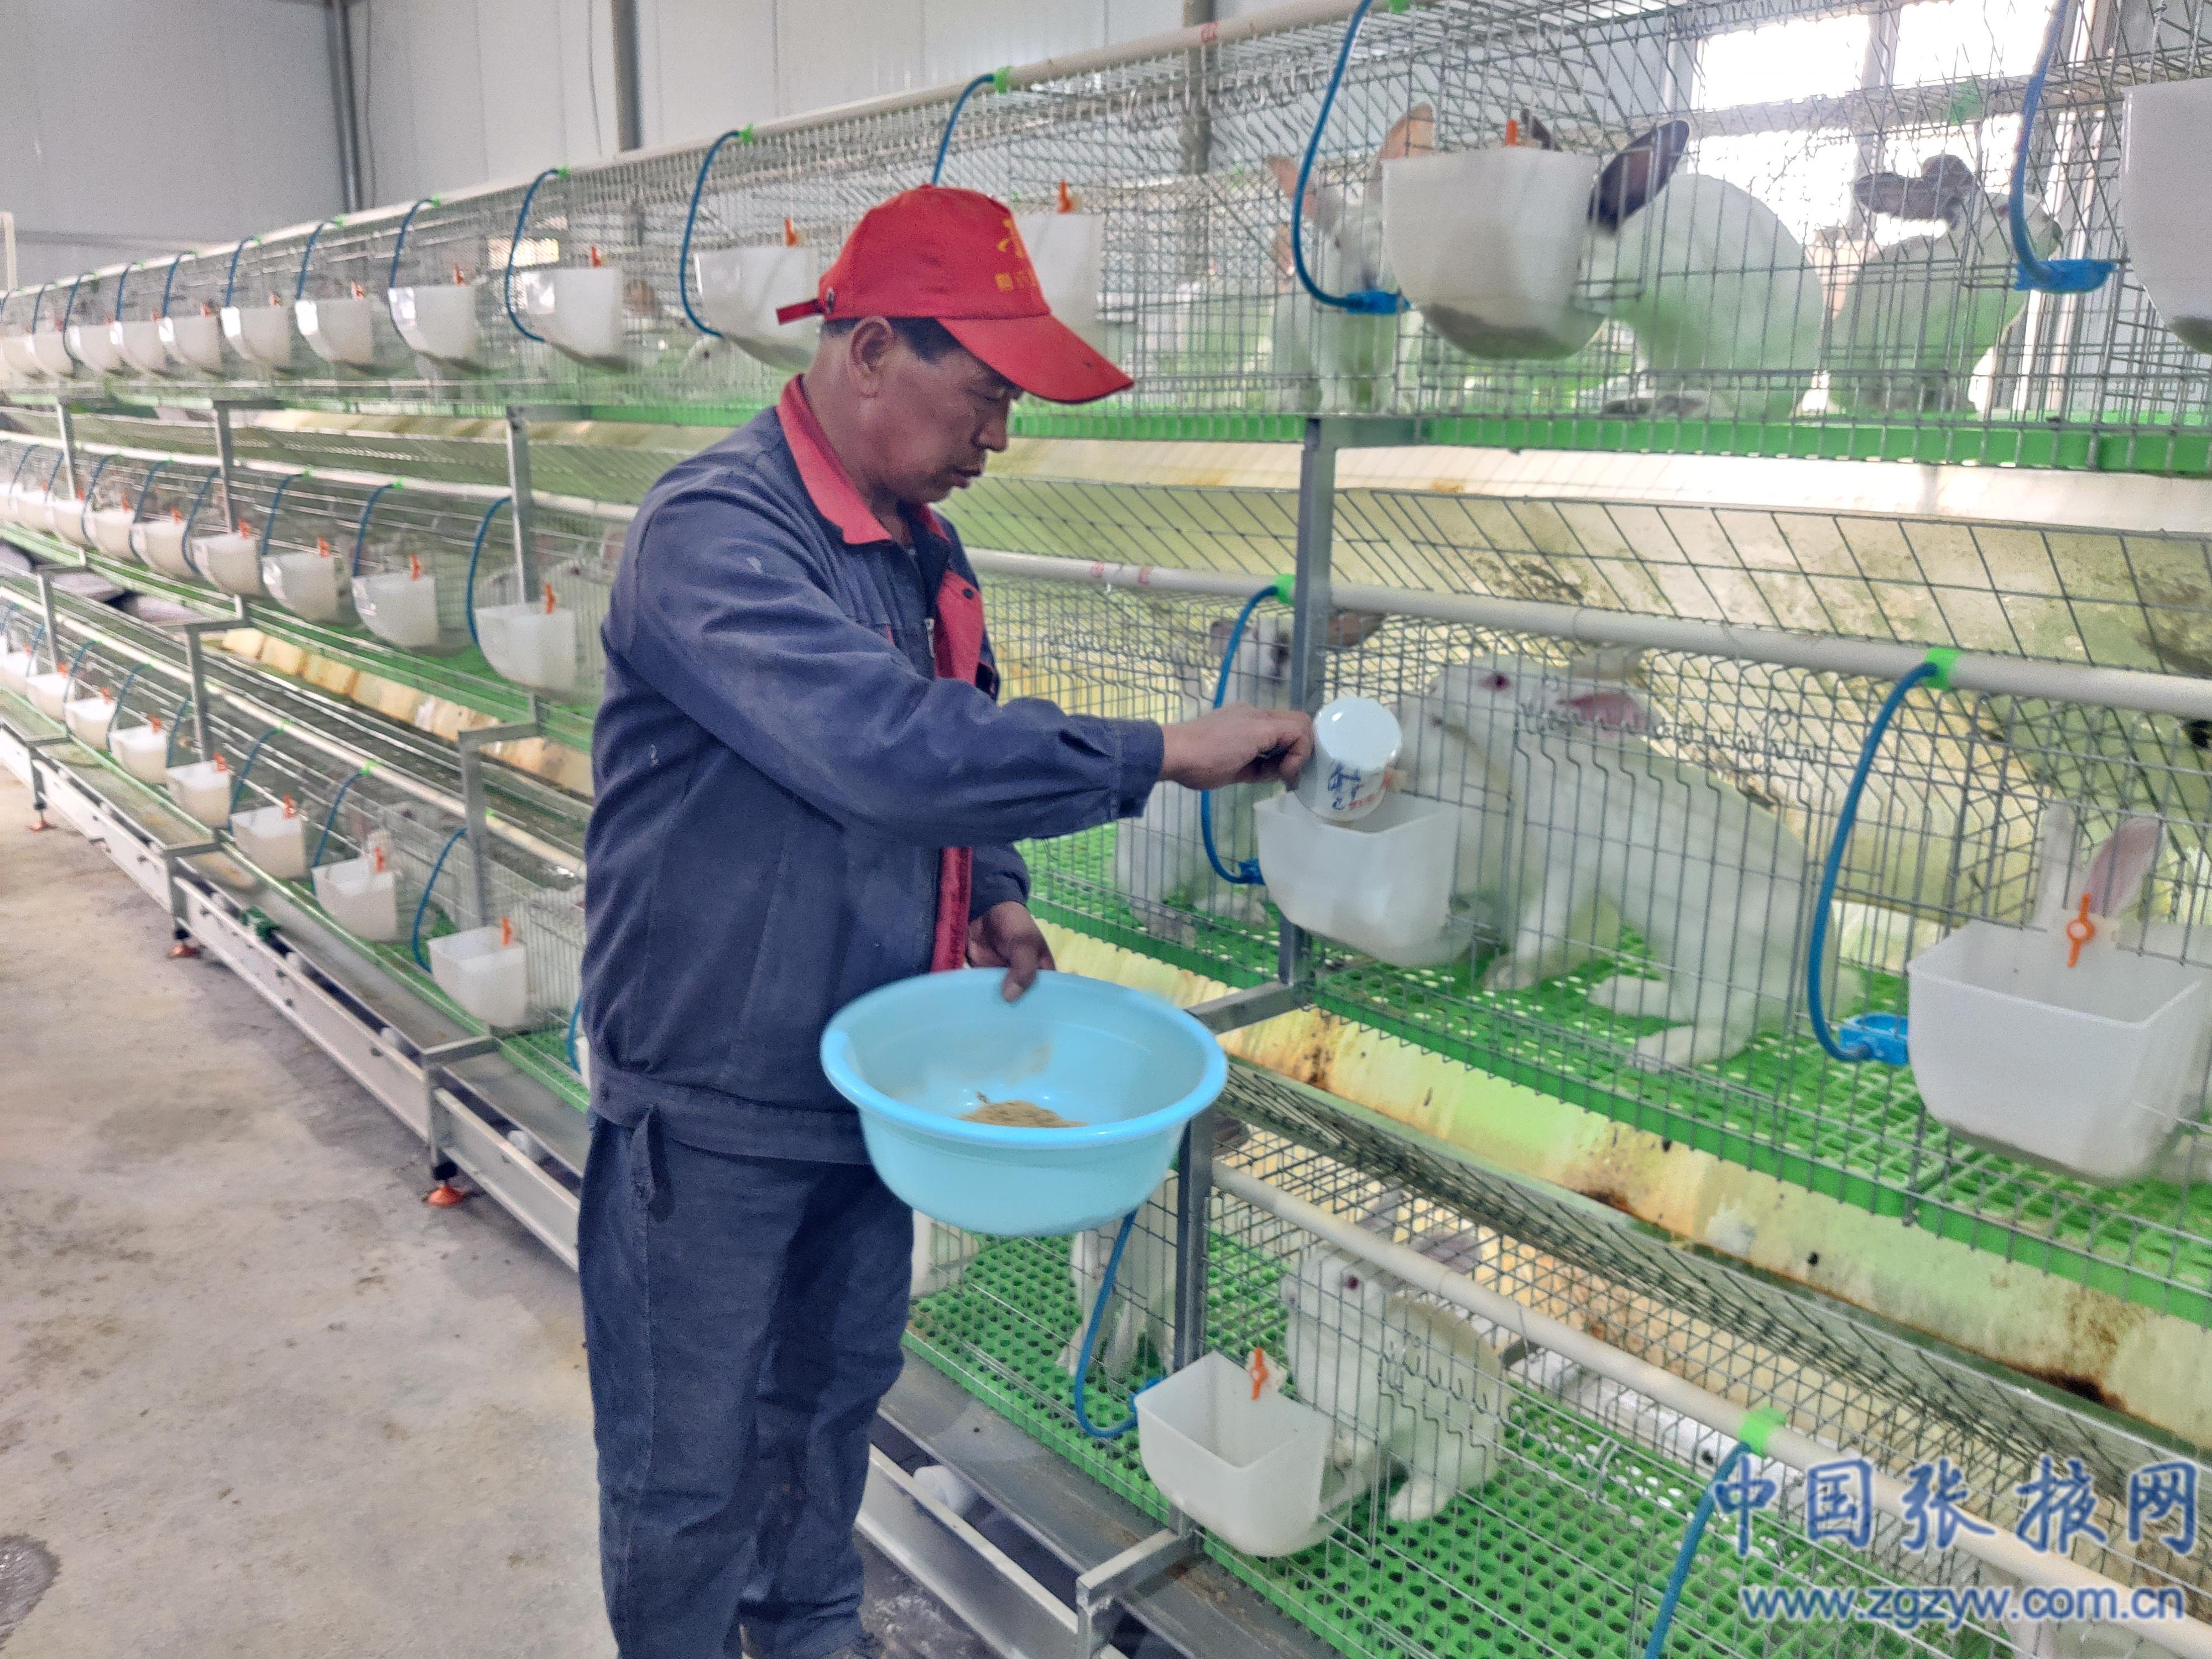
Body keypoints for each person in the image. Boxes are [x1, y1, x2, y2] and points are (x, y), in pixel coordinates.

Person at [576, 185, 1313, 1659]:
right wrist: (1161, 751)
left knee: (823, 1423)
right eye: (985, 392)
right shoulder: (712, 535)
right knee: (687, 1474)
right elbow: (882, 746)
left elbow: (952, 732)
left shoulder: (923, 550)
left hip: (872, 1080)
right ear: (868, 353)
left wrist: (999, 893)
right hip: (713, 1102)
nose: (1000, 435)